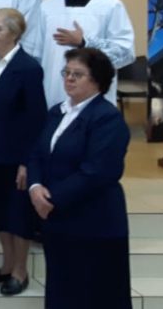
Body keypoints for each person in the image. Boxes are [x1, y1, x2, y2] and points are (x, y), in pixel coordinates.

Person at [28, 48, 132, 309]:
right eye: (67, 73)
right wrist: (35, 185)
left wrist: (52, 198)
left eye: (78, 74)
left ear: (97, 80)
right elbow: (38, 154)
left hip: (94, 222)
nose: (69, 79)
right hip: (58, 220)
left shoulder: (107, 118)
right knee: (62, 290)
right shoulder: (57, 112)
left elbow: (98, 171)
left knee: (93, 294)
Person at [0, 8, 47, 296]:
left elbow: (36, 120)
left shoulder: (28, 68)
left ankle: (20, 271)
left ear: (15, 33)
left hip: (16, 156)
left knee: (18, 216)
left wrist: (27, 163)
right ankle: (6, 266)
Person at [39, 0, 134, 107]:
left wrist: (84, 42)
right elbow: (35, 53)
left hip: (94, 100)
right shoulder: (46, 8)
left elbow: (126, 53)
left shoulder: (111, 6)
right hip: (52, 94)